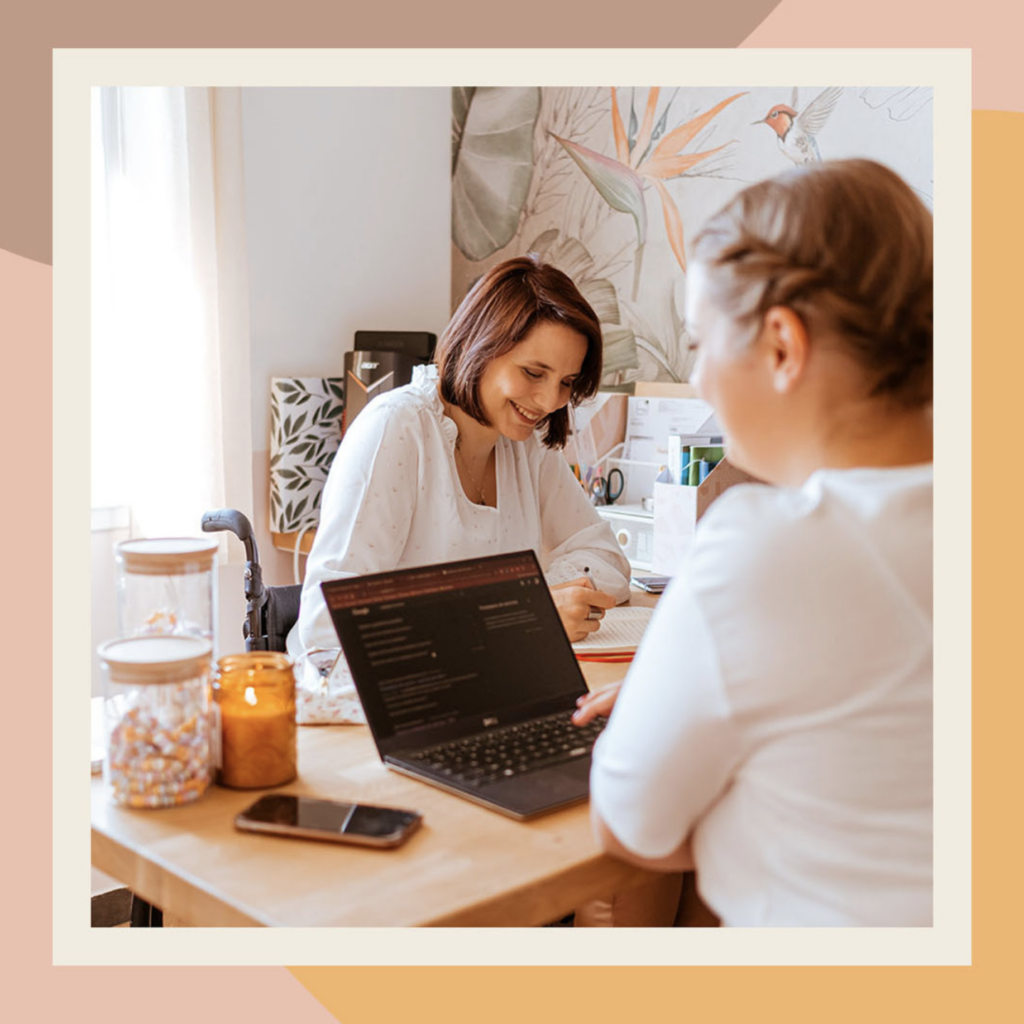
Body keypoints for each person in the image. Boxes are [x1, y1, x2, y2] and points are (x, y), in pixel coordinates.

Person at [574, 159, 933, 927]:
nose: (699, 379)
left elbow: (630, 827)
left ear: (781, 343)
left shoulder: (769, 547)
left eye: (702, 342)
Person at [287, 255, 631, 703]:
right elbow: (329, 633)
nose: (549, 400)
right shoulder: (396, 428)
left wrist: (539, 604)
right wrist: (529, 613)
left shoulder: (522, 443)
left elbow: (607, 558)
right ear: (479, 346)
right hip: (370, 709)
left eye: (566, 381)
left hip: (487, 692)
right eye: (533, 373)